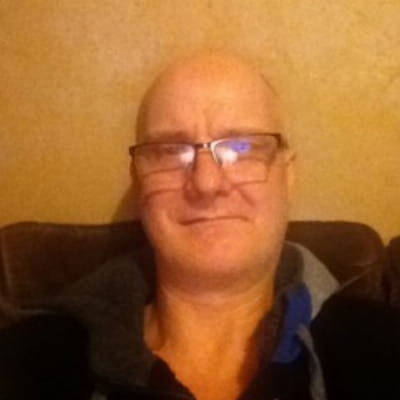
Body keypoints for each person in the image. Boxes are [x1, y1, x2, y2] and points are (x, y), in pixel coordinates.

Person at [1, 52, 400, 400]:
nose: (207, 183)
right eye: (170, 151)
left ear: (288, 175)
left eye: (241, 147)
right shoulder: (26, 364)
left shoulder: (383, 350)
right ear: (139, 179)